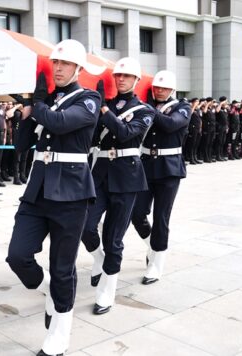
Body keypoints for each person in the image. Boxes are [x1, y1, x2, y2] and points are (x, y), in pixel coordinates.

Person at [5, 39, 101, 356]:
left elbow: (61, 123)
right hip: (38, 189)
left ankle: (60, 331)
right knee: (18, 255)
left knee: (63, 268)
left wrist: (40, 103)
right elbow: (21, 146)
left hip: (71, 193)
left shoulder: (88, 99)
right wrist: (26, 113)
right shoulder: (47, 102)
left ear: (77, 68)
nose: (58, 68)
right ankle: (48, 286)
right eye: (55, 64)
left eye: (64, 64)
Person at [82, 56, 154, 315]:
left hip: (126, 177)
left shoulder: (145, 110)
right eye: (118, 76)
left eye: (126, 76)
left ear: (135, 80)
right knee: (85, 225)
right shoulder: (104, 104)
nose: (121, 79)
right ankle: (99, 259)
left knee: (114, 237)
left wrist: (103, 111)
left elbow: (125, 133)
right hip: (100, 174)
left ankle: (107, 290)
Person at [131, 71, 191, 284]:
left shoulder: (183, 107)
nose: (159, 91)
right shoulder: (147, 106)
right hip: (146, 166)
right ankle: (152, 246)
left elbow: (170, 124)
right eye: (156, 88)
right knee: (136, 213)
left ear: (172, 90)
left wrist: (146, 107)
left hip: (169, 169)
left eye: (164, 88)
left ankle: (156, 263)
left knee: (161, 217)